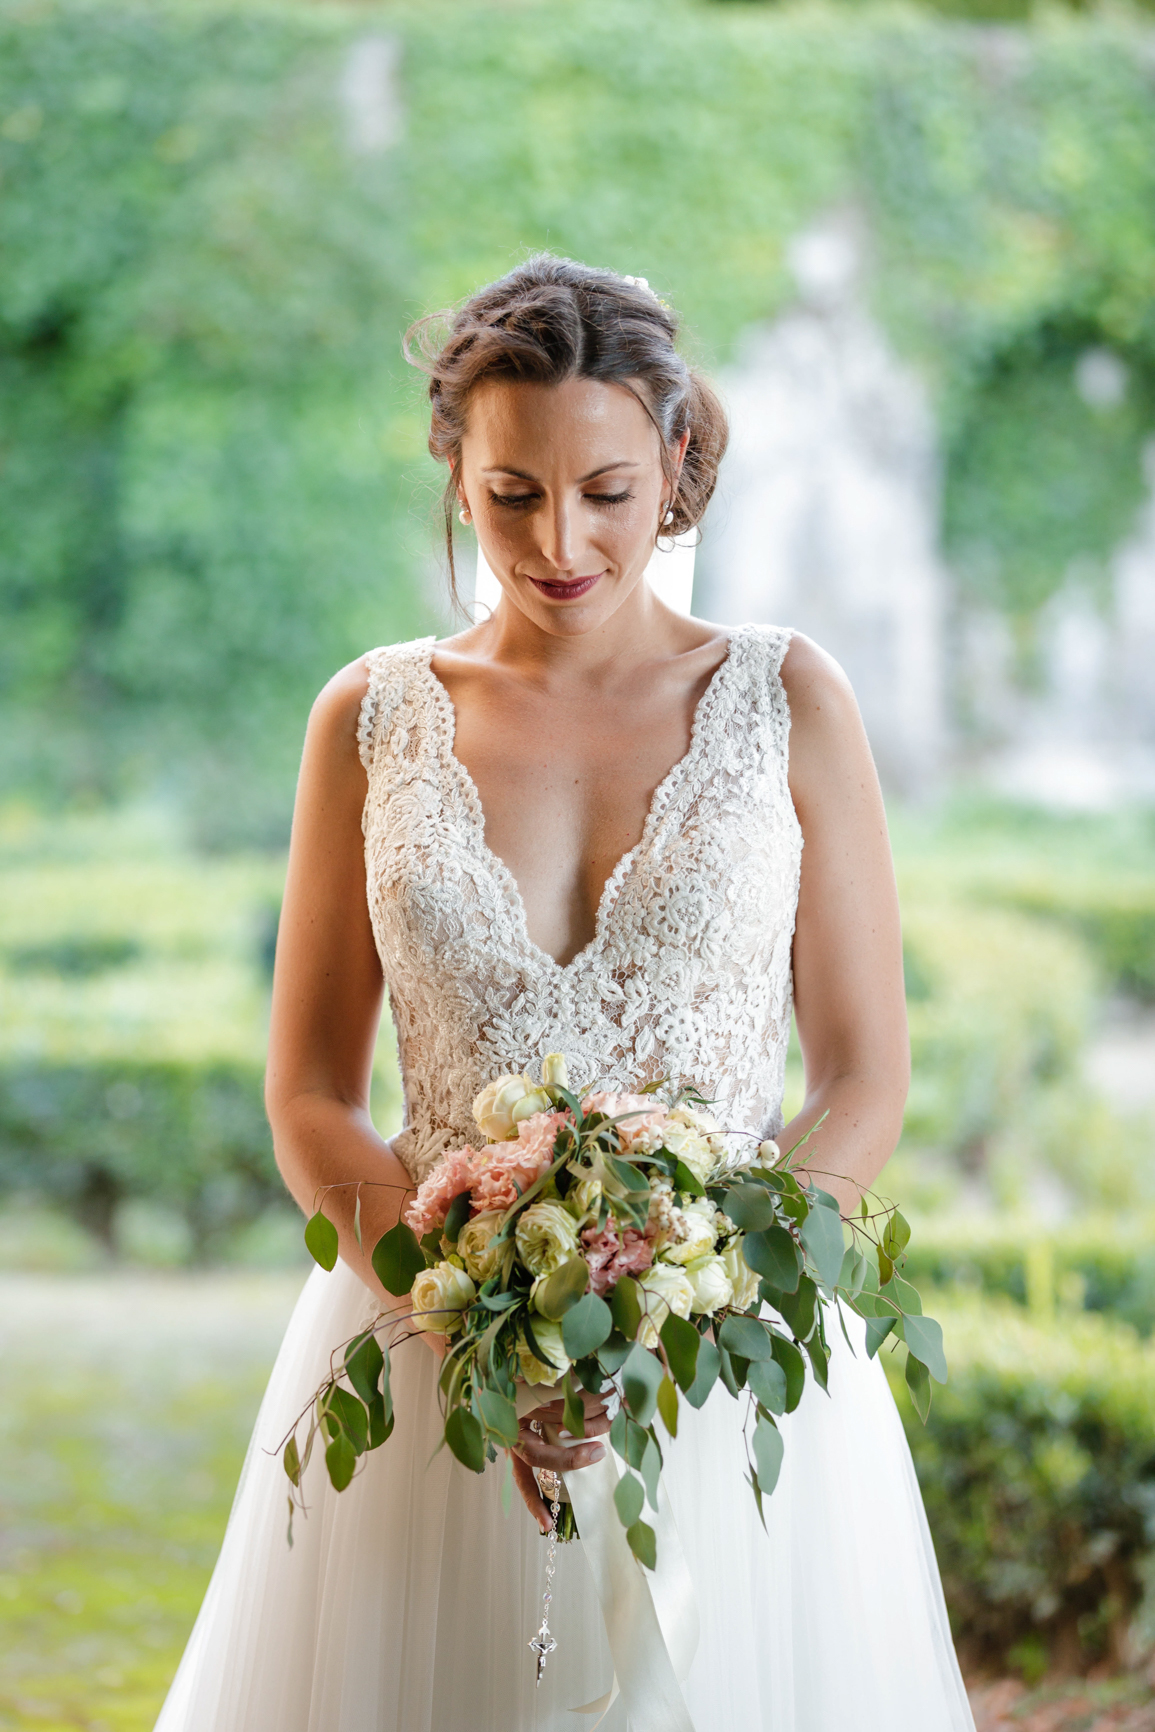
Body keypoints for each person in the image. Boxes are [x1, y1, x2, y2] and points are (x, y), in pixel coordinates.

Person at [154, 255, 974, 1732]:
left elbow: (862, 1072)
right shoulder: (371, 715)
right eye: (513, 494)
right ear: (456, 477)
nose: (563, 539)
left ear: (676, 460)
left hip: (724, 1374)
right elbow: (310, 1093)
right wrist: (470, 1322)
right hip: (427, 1374)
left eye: (604, 488)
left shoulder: (790, 699)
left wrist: (705, 1308)